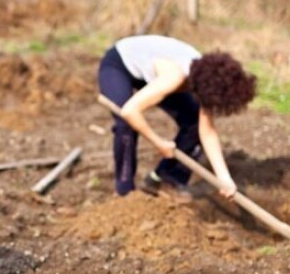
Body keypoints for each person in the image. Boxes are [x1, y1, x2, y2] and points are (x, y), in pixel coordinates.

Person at [97, 34, 257, 202]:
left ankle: (165, 179)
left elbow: (207, 131)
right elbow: (130, 111)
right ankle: (124, 192)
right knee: (125, 125)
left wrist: (224, 178)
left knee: (194, 123)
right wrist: (158, 142)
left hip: (153, 71)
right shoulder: (174, 76)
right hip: (120, 64)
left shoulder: (209, 79)